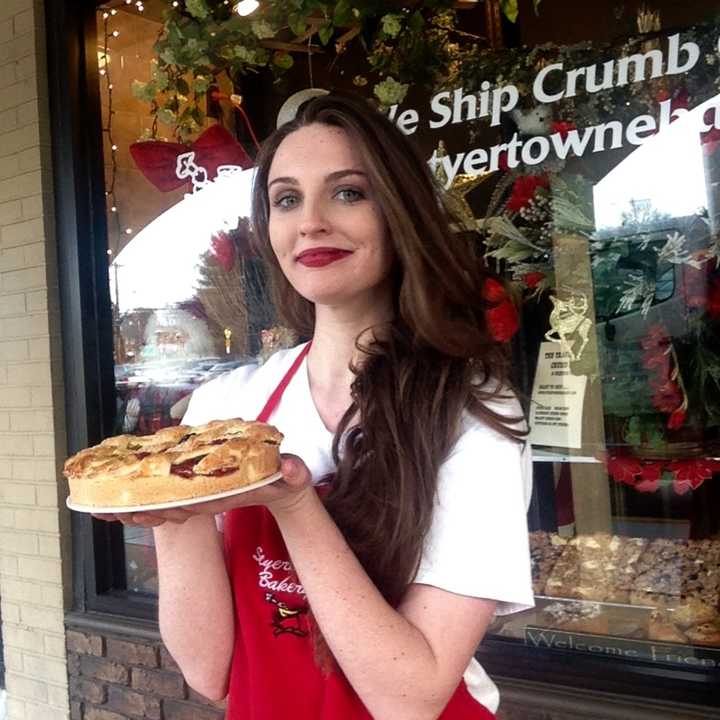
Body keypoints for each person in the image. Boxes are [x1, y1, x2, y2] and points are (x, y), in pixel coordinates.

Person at [97, 92, 534, 720]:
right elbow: (209, 672)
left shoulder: (470, 412)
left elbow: (410, 700)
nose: (311, 222)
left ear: (398, 212)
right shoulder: (229, 408)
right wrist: (174, 512)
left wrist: (295, 502)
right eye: (286, 199)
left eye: (348, 192)